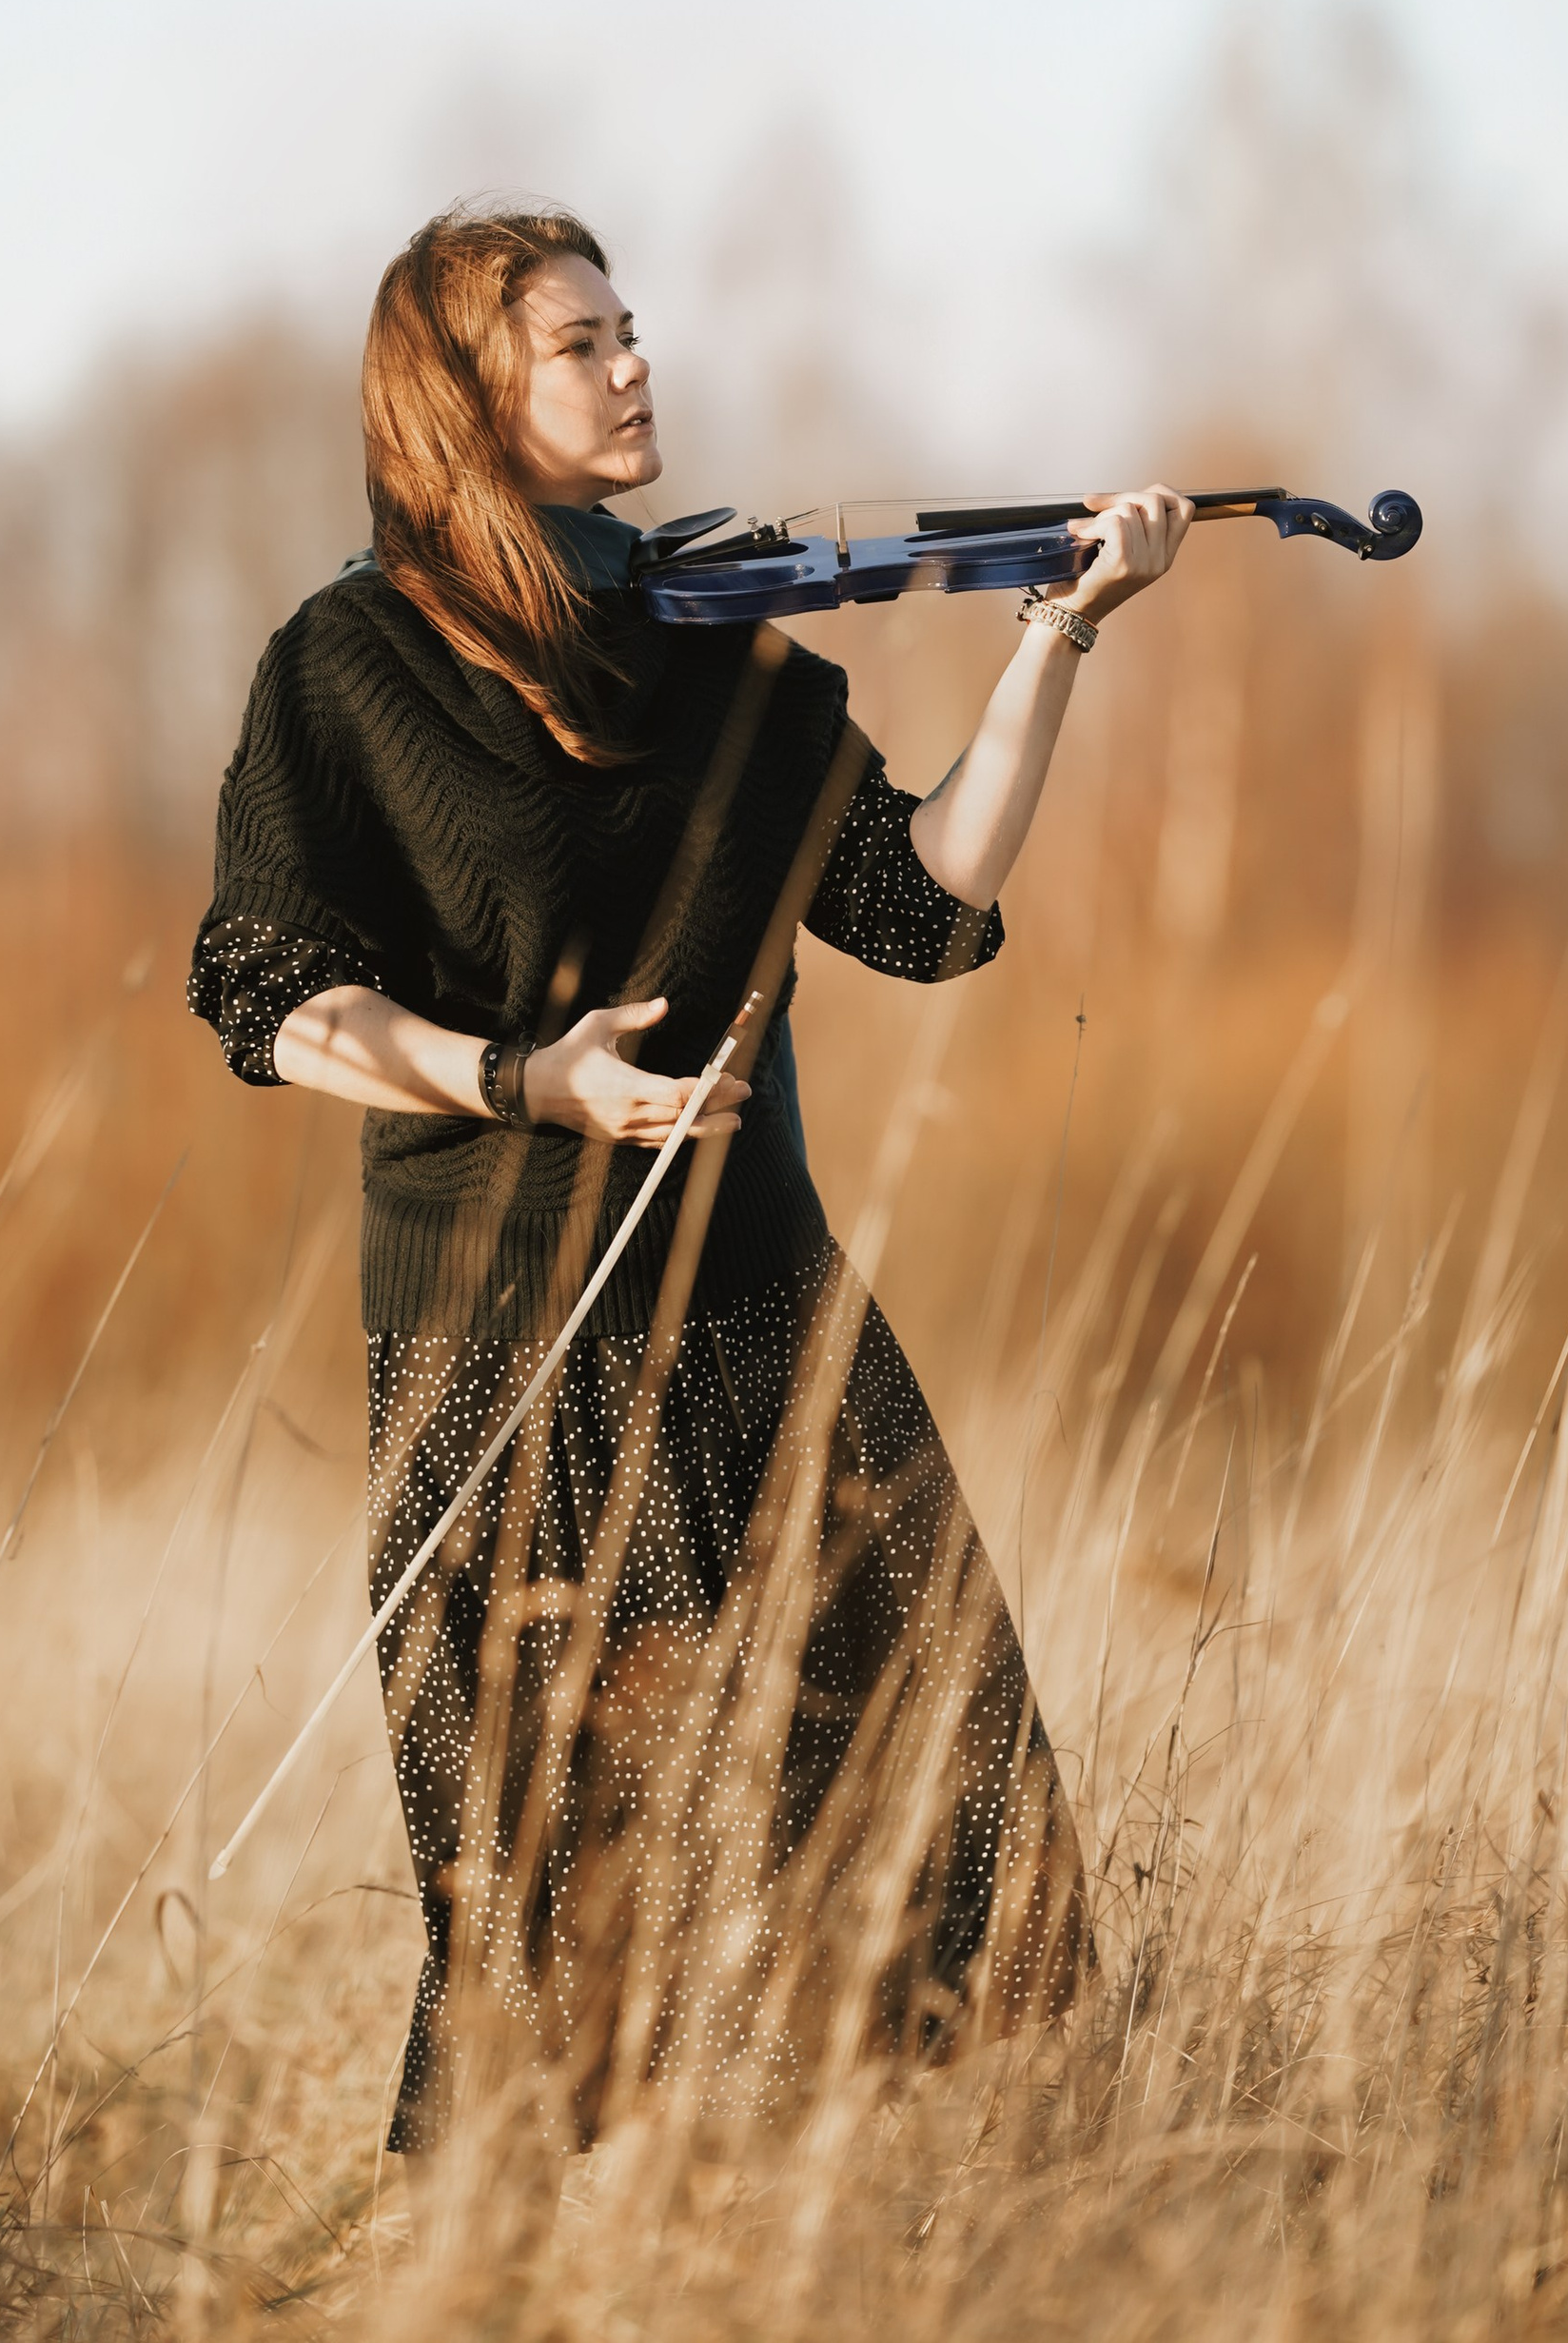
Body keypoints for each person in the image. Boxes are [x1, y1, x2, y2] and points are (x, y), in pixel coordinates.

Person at [187, 206, 1187, 2146]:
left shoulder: (735, 673)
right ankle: (502, 2268)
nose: (634, 363)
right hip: (499, 1350)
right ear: (463, 398)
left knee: (919, 1821)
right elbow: (272, 996)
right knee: (561, 1890)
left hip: (765, 1330)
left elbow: (919, 903)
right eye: (580, 343)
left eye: (627, 329)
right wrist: (519, 1077)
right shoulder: (349, 668)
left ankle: (821, 2244)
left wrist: (1052, 636)